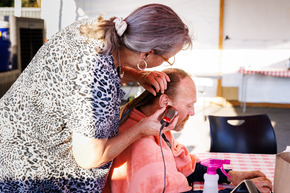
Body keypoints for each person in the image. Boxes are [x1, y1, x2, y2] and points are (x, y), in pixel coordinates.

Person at [0, 4, 192, 192]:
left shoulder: (93, 30)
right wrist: (140, 129)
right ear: (147, 53)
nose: (163, 64)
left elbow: (86, 74)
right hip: (29, 171)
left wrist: (138, 75)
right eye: (167, 59)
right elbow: (90, 157)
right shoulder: (97, 80)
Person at [104, 68, 273, 193]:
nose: (192, 112)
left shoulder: (148, 123)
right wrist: (242, 190)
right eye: (189, 105)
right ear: (165, 103)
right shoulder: (145, 147)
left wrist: (230, 176)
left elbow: (186, 167)